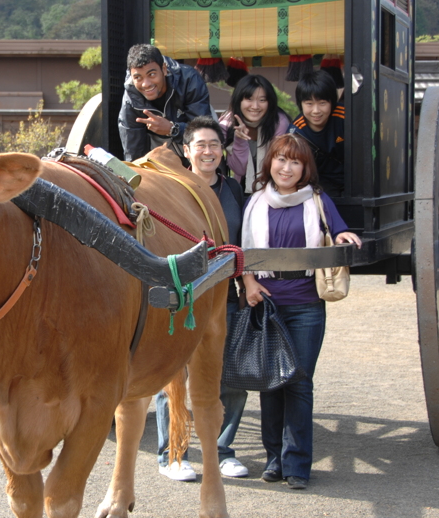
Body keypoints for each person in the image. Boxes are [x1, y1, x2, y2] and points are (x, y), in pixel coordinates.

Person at [241, 134, 362, 490]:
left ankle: (298, 464)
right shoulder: (256, 202)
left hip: (307, 303)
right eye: (281, 159)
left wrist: (344, 237)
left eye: (295, 162)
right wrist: (248, 284)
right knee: (270, 384)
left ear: (305, 168)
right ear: (271, 163)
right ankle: (274, 458)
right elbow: (243, 248)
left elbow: (336, 231)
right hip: (267, 301)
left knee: (298, 381)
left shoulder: (317, 200)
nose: (287, 167)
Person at [154, 117, 250, 481]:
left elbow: (243, 239)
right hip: (182, 292)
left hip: (222, 293)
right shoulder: (170, 188)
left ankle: (222, 449)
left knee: (230, 375)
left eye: (214, 145)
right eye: (200, 145)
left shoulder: (233, 190)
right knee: (172, 373)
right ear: (186, 150)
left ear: (222, 151)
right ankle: (173, 454)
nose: (208, 151)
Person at [117, 44, 214, 162]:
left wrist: (172, 129)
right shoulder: (131, 97)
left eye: (151, 74)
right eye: (138, 77)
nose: (146, 84)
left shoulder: (189, 79)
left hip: (191, 141)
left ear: (164, 69)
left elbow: (203, 131)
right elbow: (133, 152)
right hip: (159, 149)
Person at [218, 74, 291, 193]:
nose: (255, 106)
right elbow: (239, 170)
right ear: (239, 100)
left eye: (262, 100)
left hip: (275, 187)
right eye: (249, 99)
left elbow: (278, 164)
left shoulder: (279, 123)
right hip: (240, 188)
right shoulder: (227, 124)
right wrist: (240, 140)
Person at [290, 70, 345, 197]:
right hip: (319, 185)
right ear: (300, 104)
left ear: (332, 102)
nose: (316, 111)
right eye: (309, 103)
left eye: (322, 103)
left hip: (353, 179)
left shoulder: (345, 117)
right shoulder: (296, 132)